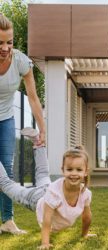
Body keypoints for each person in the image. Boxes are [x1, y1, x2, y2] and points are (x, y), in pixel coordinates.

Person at [0, 128, 96, 249]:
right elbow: (47, 220)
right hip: (36, 199)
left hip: (48, 189)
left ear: (86, 172)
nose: (74, 173)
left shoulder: (85, 193)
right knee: (5, 184)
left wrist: (85, 234)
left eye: (79, 170)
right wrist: (45, 243)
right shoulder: (55, 193)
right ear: (63, 170)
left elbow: (87, 217)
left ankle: (38, 142)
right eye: (70, 169)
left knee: (43, 174)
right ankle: (38, 143)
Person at [0, 14, 45, 234]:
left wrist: (42, 128)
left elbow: (33, 98)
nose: (6, 48)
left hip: (6, 119)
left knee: (6, 171)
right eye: (0, 43)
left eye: (9, 42)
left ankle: (7, 221)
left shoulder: (20, 61)